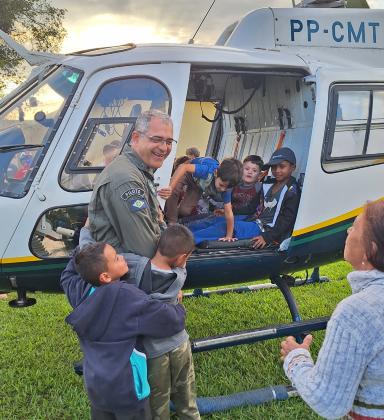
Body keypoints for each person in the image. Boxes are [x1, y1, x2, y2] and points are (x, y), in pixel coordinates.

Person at [78, 224, 200, 419]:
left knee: (158, 408)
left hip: (154, 353)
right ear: (183, 258)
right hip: (180, 344)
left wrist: (86, 230)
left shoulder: (134, 267)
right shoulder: (180, 275)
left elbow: (95, 256)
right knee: (187, 399)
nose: (121, 257)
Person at [280, 201, 384, 419]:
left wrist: (296, 358)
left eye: (355, 226)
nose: (348, 231)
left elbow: (327, 401)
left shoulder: (357, 312)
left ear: (370, 250)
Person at [88, 109, 174, 258]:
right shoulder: (127, 179)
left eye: (169, 142)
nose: (164, 148)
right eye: (156, 139)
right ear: (135, 138)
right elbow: (146, 250)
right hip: (128, 274)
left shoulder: (139, 169)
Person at [190, 148, 300, 247]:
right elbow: (252, 207)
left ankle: (188, 241)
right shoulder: (268, 183)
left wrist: (267, 237)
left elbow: (287, 220)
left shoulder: (292, 190)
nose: (277, 170)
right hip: (252, 219)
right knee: (218, 220)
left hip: (265, 229)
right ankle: (185, 232)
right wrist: (228, 211)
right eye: (274, 167)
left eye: (282, 166)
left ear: (293, 167)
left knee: (226, 227)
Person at [165, 157, 243, 241]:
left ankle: (173, 217)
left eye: (226, 188)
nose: (223, 189)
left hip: (198, 184)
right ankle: (171, 223)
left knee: (185, 211)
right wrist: (170, 187)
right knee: (174, 191)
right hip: (188, 172)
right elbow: (183, 167)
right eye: (221, 185)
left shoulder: (226, 188)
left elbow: (228, 212)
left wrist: (229, 236)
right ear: (216, 173)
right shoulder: (206, 170)